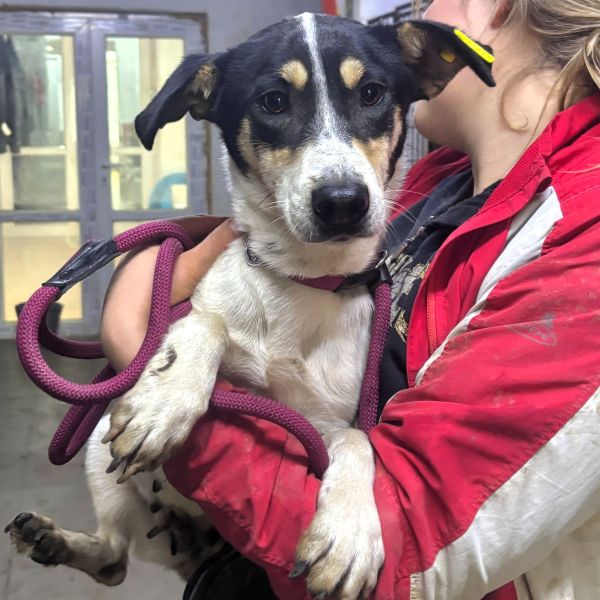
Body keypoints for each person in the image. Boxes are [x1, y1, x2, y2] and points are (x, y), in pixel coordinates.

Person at [101, 0, 600, 598]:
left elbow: (412, 558)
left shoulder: (579, 240)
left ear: (495, 7)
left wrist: (138, 344)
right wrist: (175, 298)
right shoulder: (437, 188)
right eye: (275, 103)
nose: (342, 185)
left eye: (369, 96)